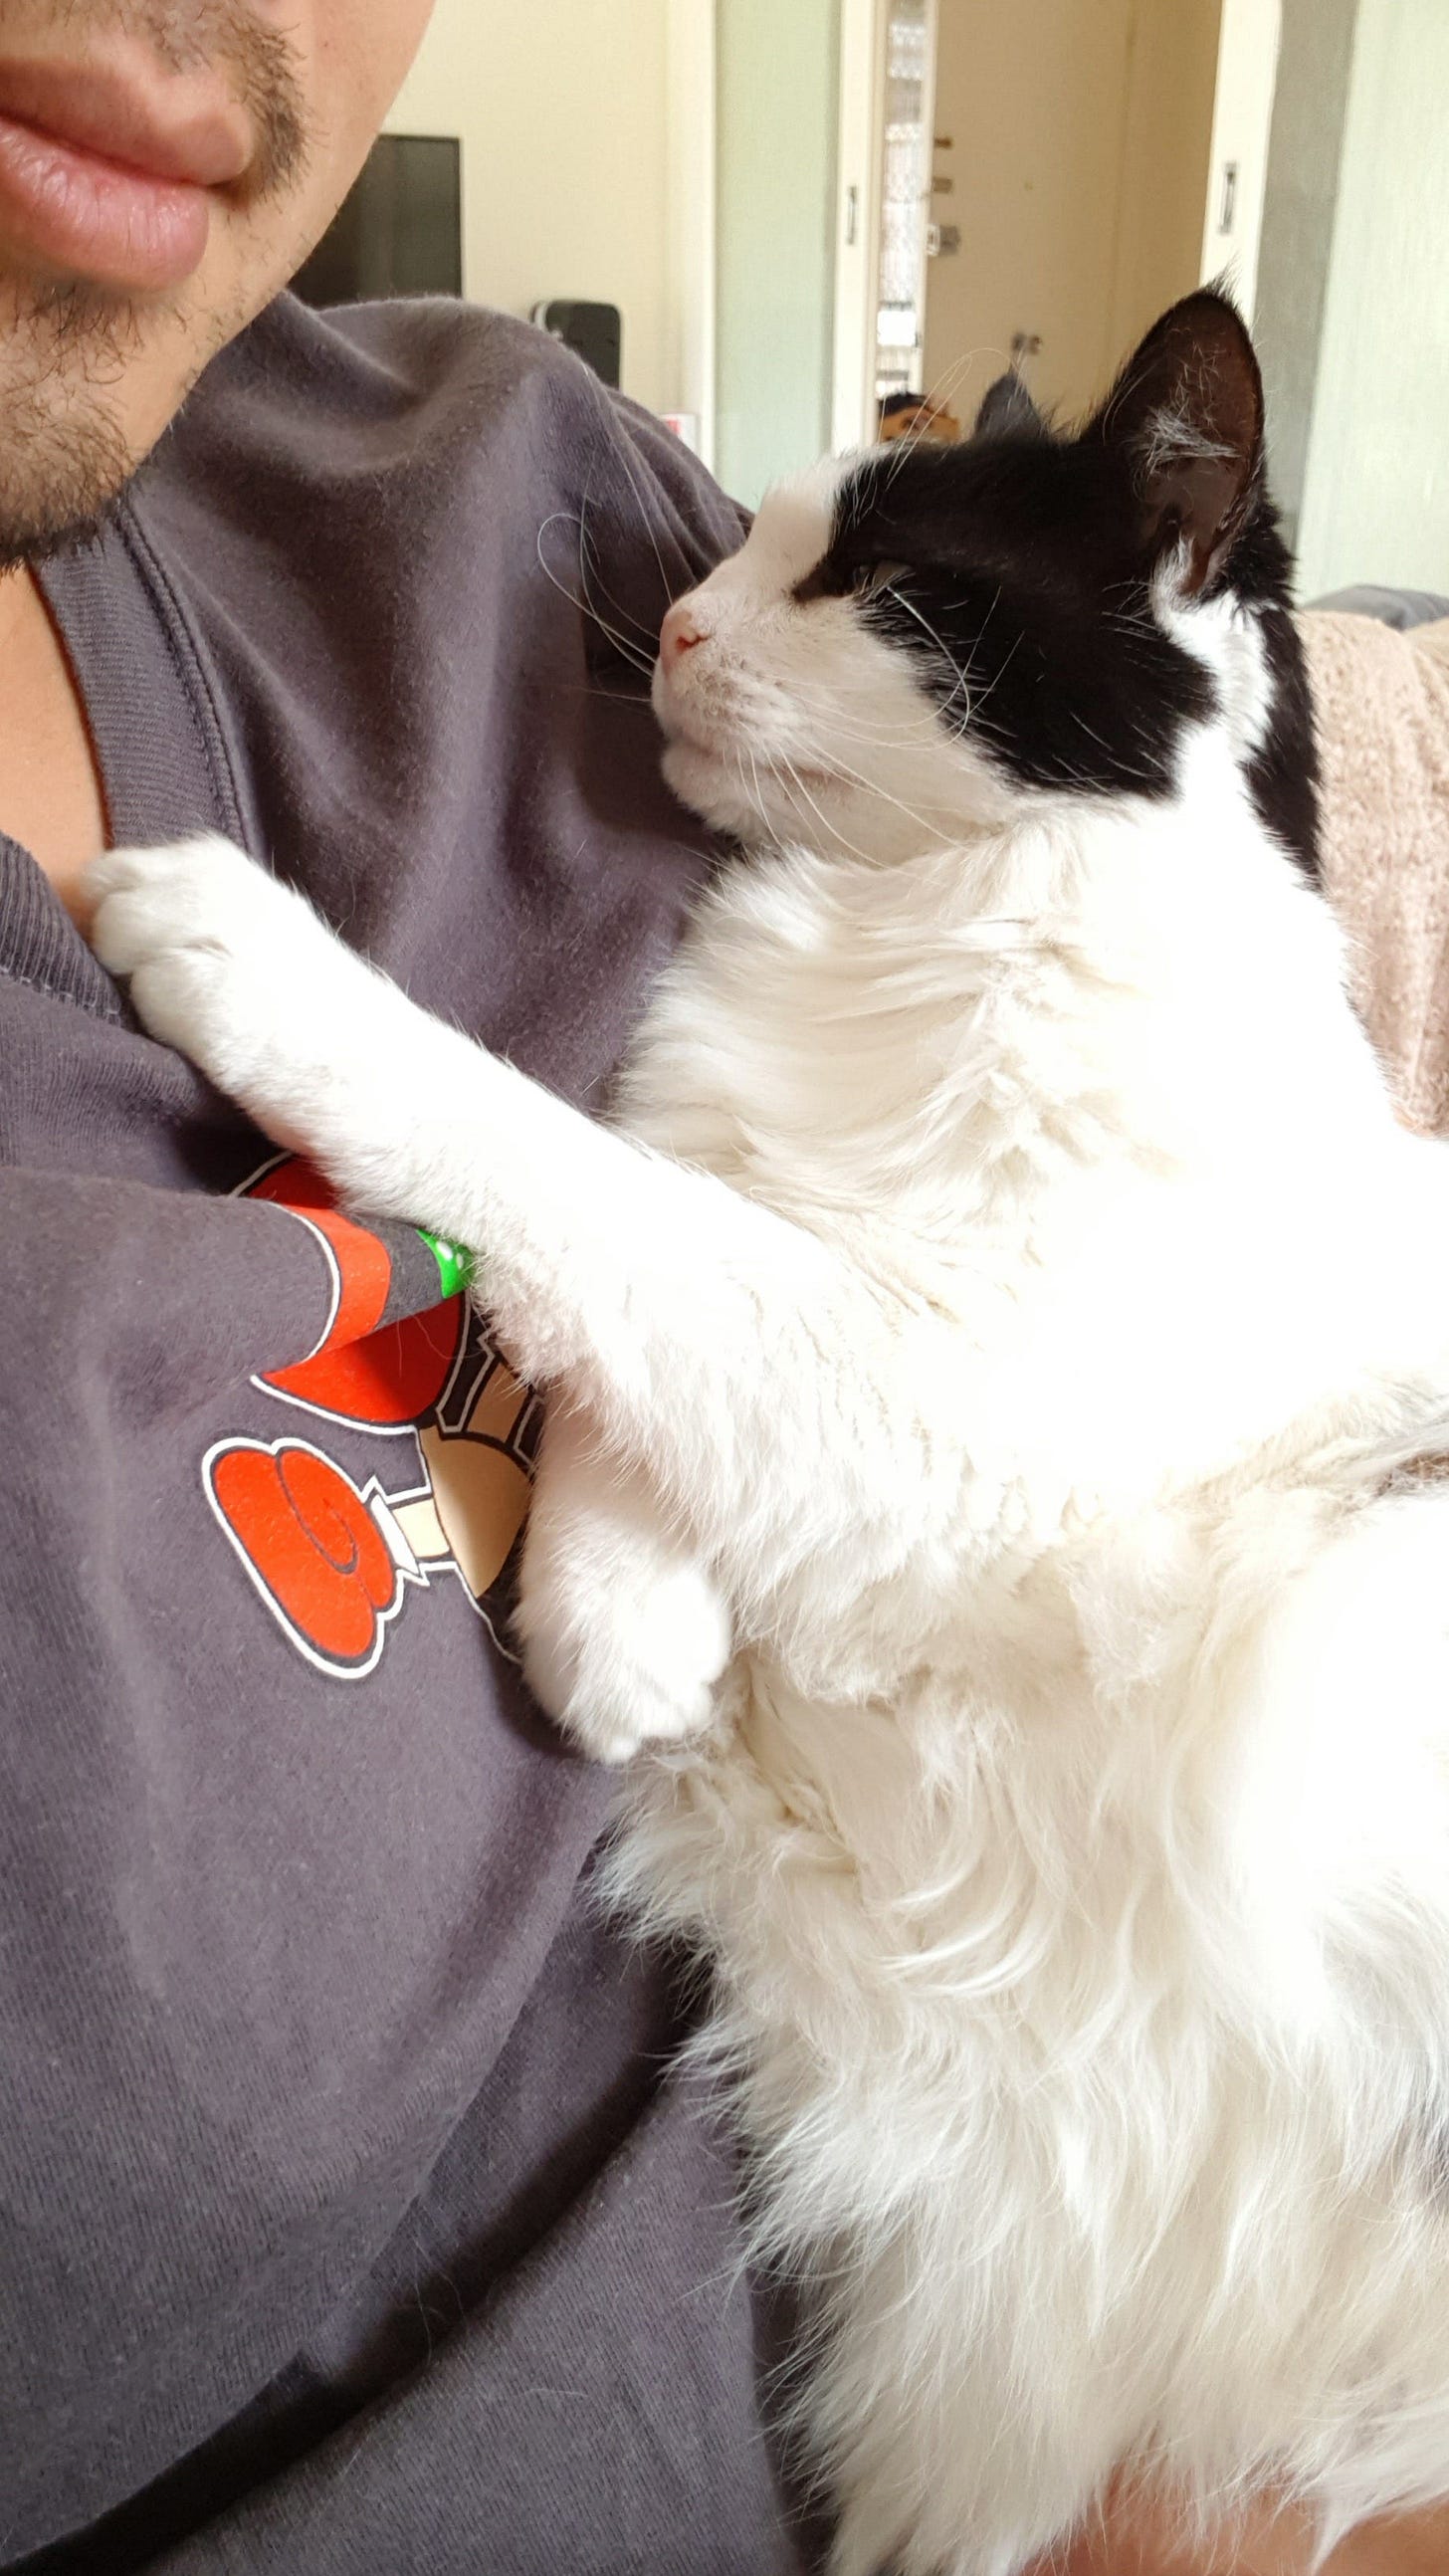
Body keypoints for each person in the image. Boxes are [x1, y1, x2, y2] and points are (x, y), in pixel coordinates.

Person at [0, 6, 1444, 2571]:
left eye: (811, 570)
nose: (691, 614)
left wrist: (388, 1089)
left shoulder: (499, 474)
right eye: (757, 551)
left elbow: (895, 1434)